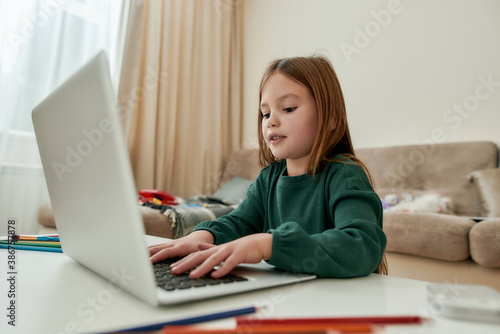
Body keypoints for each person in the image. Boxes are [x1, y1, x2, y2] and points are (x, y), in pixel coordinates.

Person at [149, 55, 387, 279]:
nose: (271, 121)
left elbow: (362, 243)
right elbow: (239, 222)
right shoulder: (269, 179)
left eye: (288, 108)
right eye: (265, 113)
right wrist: (203, 236)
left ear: (331, 118)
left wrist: (267, 244)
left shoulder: (345, 174)